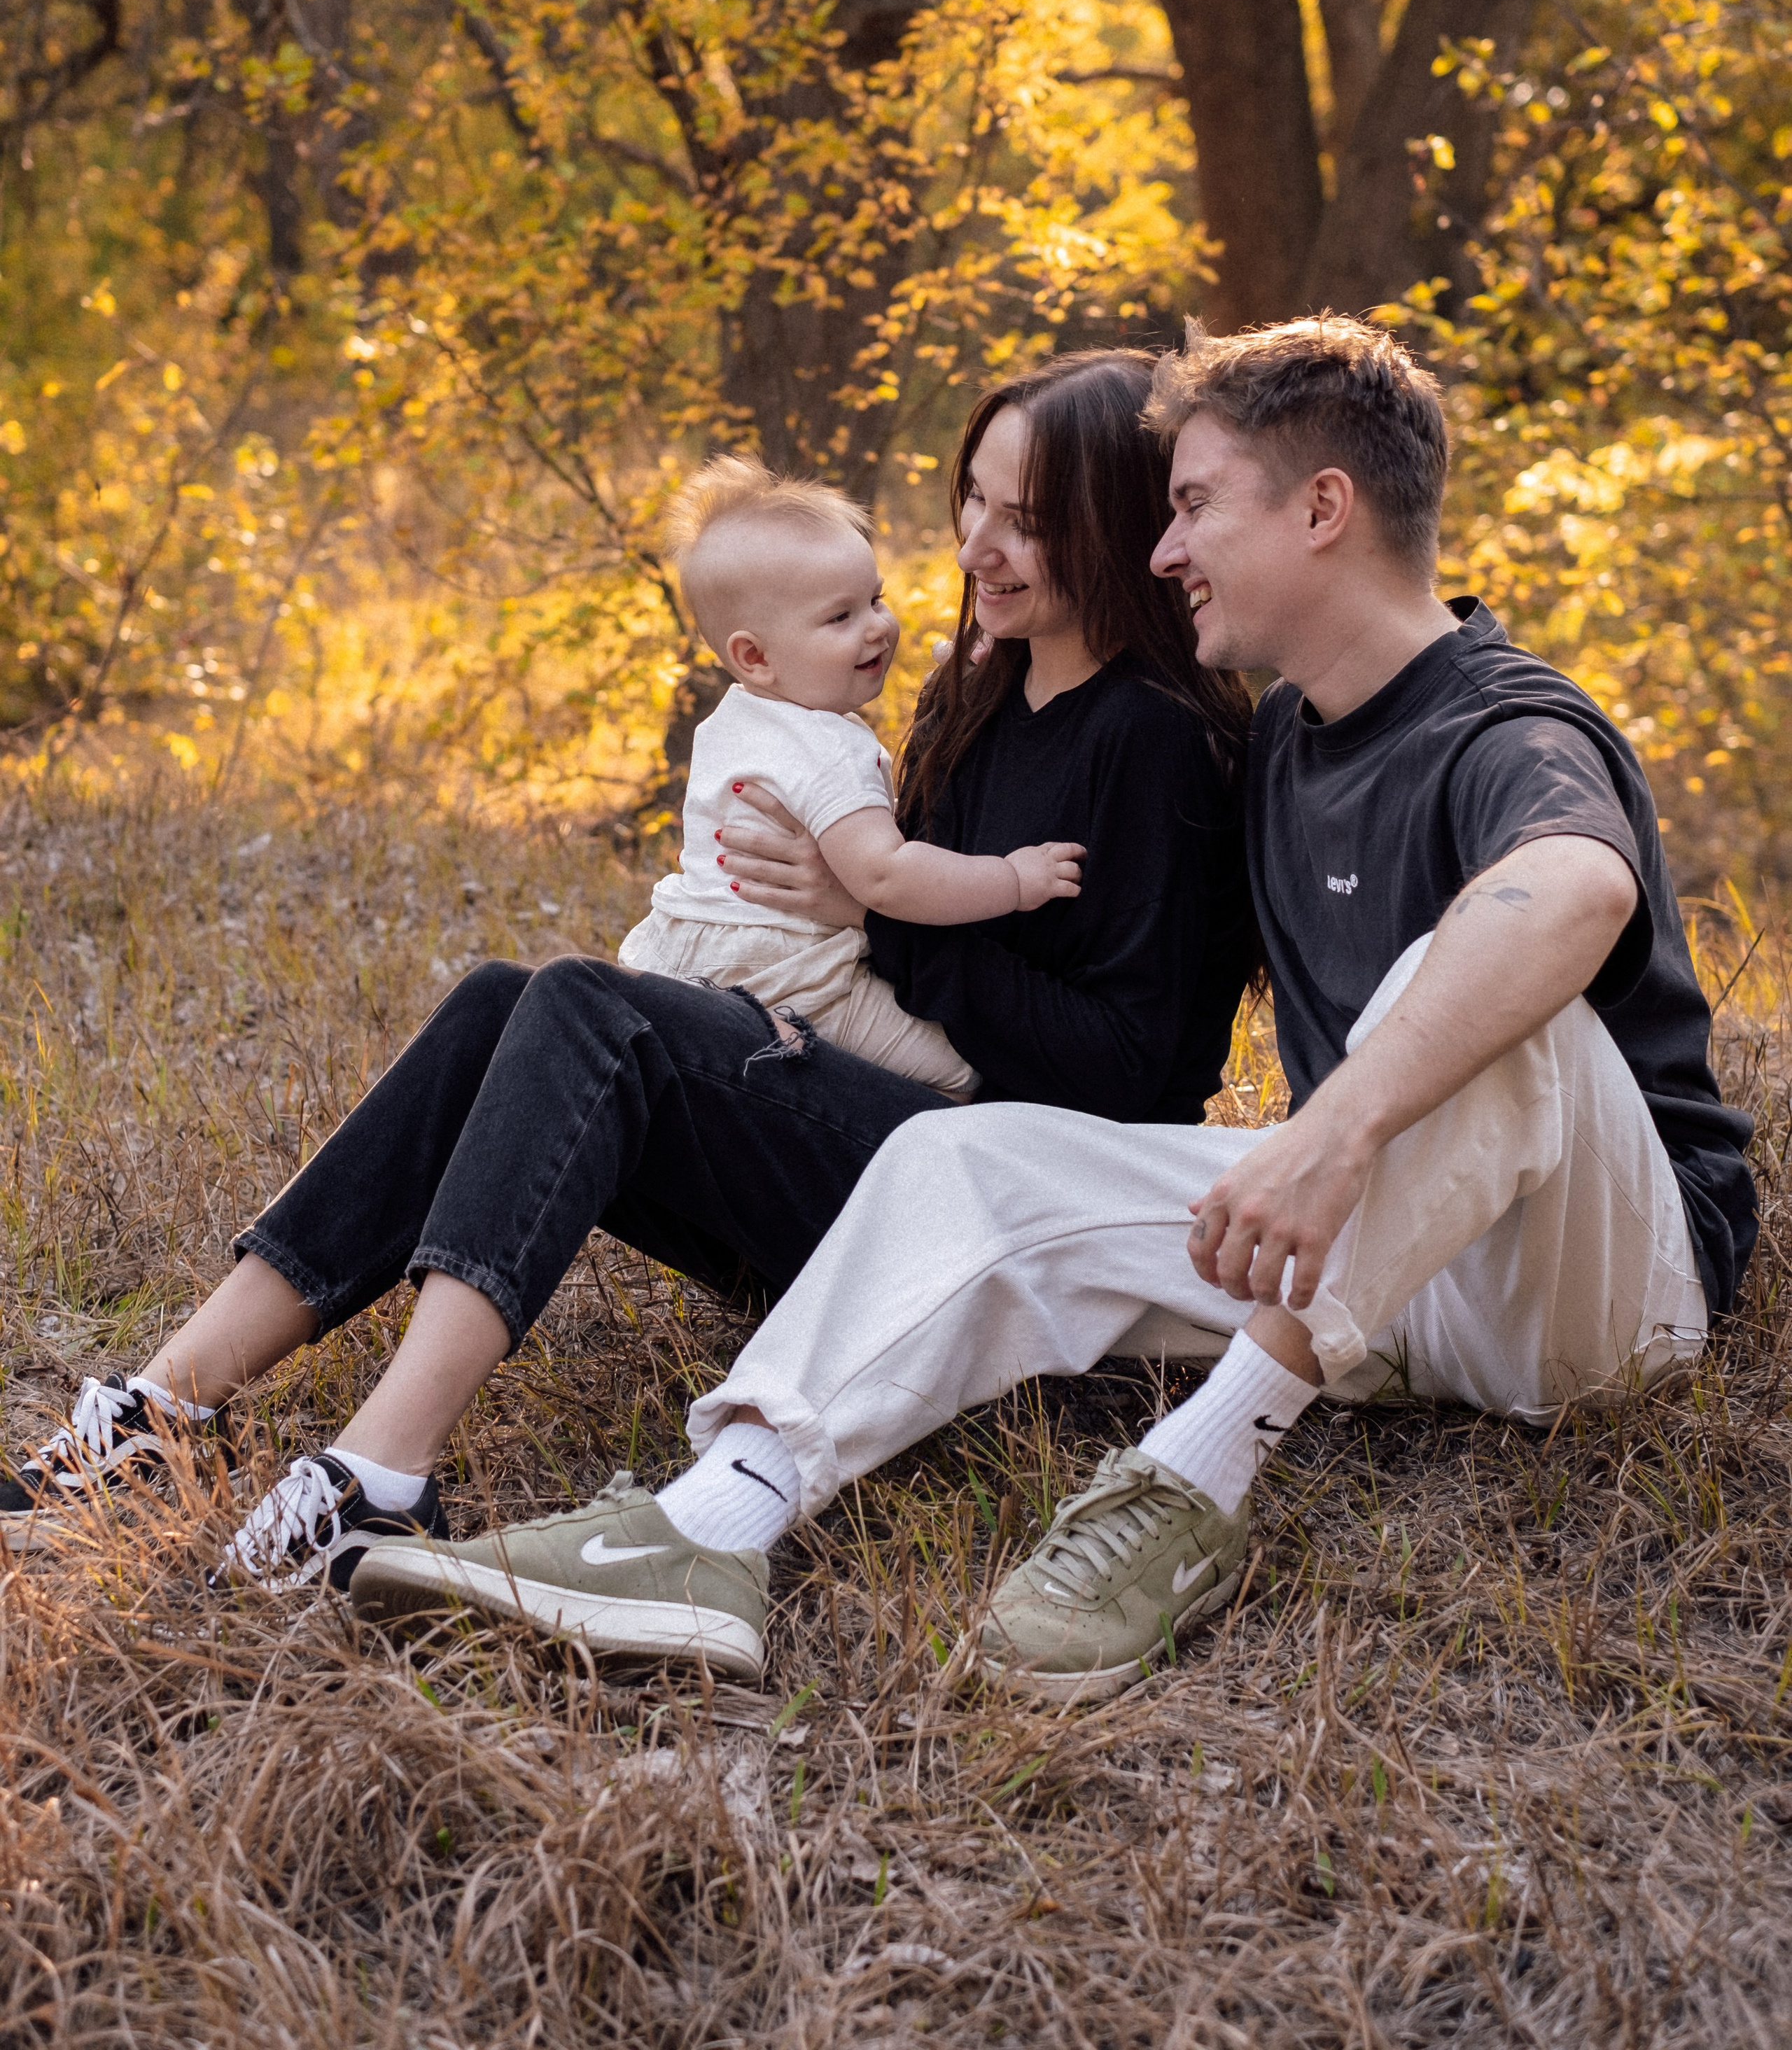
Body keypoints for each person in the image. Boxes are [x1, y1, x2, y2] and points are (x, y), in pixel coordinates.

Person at [351, 315, 1756, 1703]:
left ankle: (1187, 1478)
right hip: (1377, 1281)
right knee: (961, 1154)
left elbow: (1569, 891)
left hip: (1597, 1288)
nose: (1161, 547)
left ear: (1321, 508)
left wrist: (1335, 1126)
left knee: (1471, 992)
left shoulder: (1507, 724)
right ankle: (707, 1524)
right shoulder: (1277, 746)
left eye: (1195, 504)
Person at [0, 350, 1254, 1611]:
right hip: (877, 1135)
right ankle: (167, 1404)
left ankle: (380, 1473)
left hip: (997, 1218)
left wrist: (879, 926)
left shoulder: (1155, 743)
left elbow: (1129, 1082)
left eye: (1027, 521)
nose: (978, 543)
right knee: (513, 994)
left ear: (1116, 527)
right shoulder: (978, 691)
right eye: (972, 497)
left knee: (595, 1011)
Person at [616, 451, 1086, 1099]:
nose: (878, 630)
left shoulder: (734, 723)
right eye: (841, 618)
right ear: (754, 656)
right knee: (967, 1072)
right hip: (791, 973)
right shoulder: (829, 747)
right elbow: (886, 877)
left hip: (688, 954)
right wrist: (1011, 879)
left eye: (875, 600)